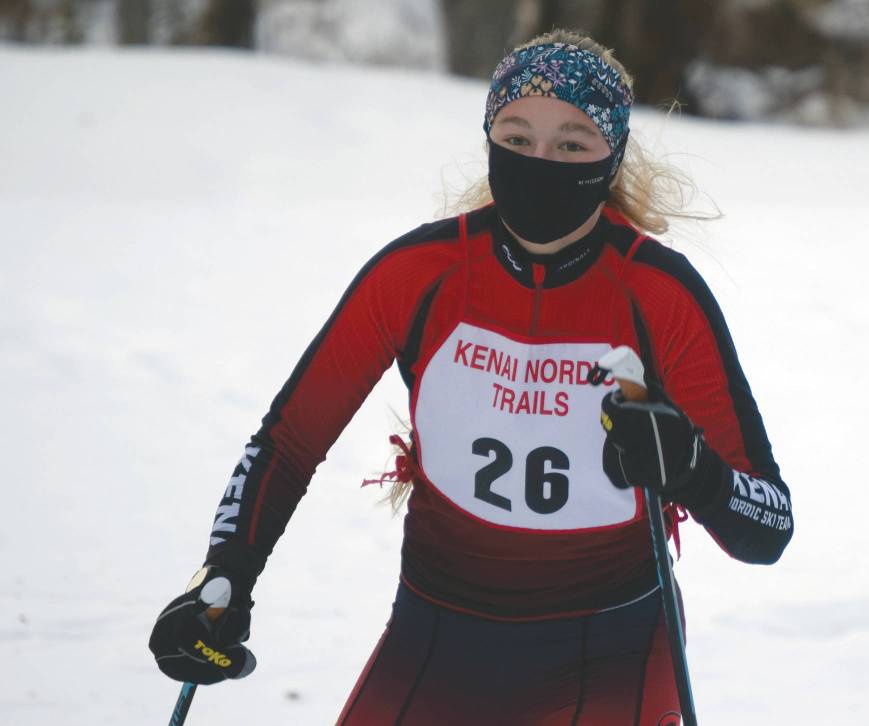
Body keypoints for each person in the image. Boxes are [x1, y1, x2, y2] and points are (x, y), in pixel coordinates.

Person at [149, 29, 793, 725]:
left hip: (612, 647)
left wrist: (694, 469)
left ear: (611, 159)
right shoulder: (419, 275)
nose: (539, 161)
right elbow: (287, 442)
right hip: (437, 636)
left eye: (572, 144)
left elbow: (769, 525)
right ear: (488, 138)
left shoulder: (659, 294)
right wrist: (224, 575)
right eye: (516, 137)